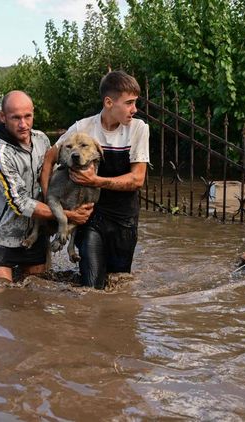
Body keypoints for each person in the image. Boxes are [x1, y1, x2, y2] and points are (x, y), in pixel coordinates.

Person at [41, 71, 149, 289]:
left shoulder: (139, 128)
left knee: (119, 286)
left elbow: (137, 180)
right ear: (109, 102)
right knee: (91, 287)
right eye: (129, 103)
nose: (134, 109)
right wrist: (49, 204)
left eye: (135, 103)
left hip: (124, 219)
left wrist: (95, 180)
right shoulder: (82, 128)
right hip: (91, 217)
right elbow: (49, 159)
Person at [0, 90, 93, 283]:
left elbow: (53, 175)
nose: (23, 124)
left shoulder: (41, 139)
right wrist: (69, 216)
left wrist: (89, 178)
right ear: (2, 117)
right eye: (15, 118)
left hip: (36, 232)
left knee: (37, 295)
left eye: (27, 116)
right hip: (0, 238)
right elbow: (20, 203)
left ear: (33, 113)